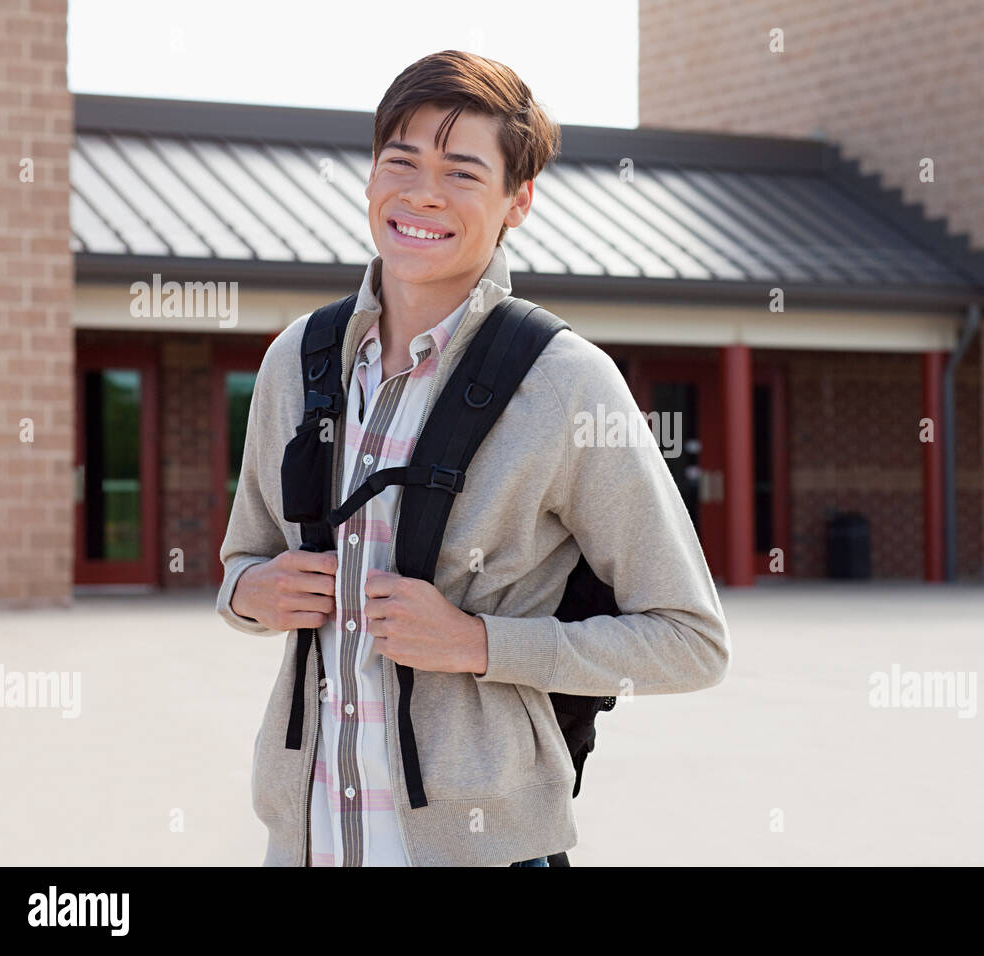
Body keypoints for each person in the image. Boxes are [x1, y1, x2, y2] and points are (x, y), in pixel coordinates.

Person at [216, 50, 730, 867]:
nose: (422, 193)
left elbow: (690, 641)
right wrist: (250, 591)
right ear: (371, 176)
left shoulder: (566, 382)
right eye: (402, 160)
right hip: (307, 842)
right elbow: (243, 557)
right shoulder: (296, 360)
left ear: (516, 201)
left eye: (462, 171)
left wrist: (479, 643)